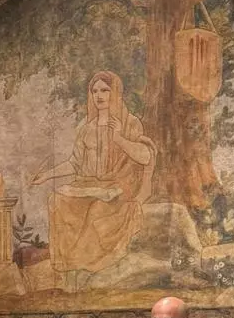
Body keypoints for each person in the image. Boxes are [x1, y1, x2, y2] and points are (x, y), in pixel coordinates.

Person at [29, 70, 157, 291]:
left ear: (115, 92)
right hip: (89, 184)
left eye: (105, 90)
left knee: (98, 209)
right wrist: (46, 175)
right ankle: (69, 269)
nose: (99, 95)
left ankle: (91, 269)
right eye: (95, 91)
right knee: (56, 200)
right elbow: (75, 163)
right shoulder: (86, 127)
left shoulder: (130, 123)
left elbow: (145, 156)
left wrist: (118, 138)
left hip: (118, 187)